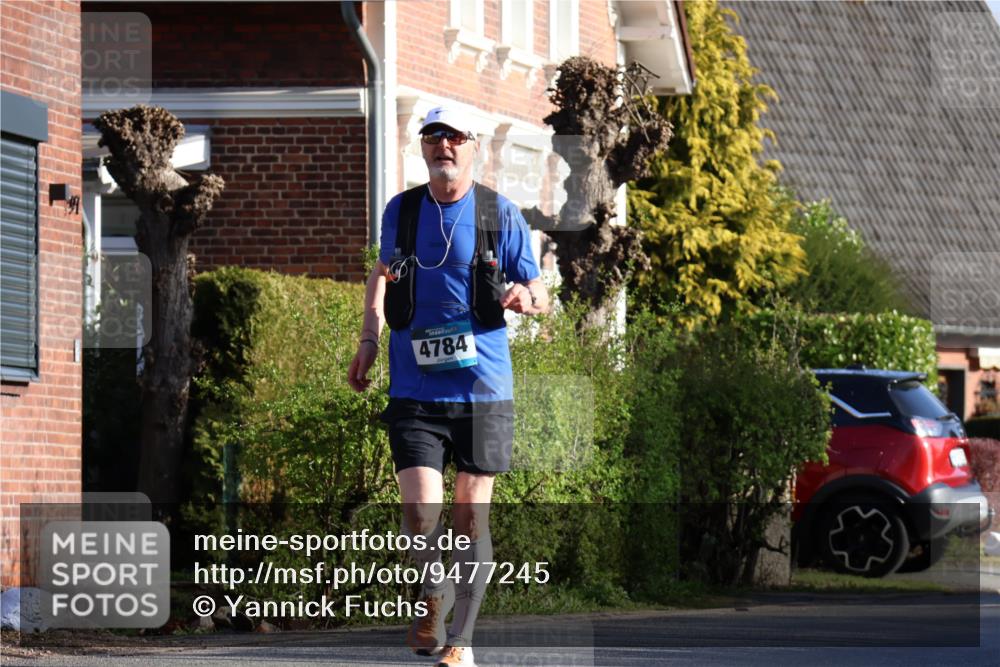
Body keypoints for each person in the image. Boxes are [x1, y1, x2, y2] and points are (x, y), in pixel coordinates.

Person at [347, 105, 549, 667]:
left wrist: (523, 300)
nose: (444, 147)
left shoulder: (497, 213)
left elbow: (538, 290)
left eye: (455, 137)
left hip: (484, 390)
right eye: (434, 137)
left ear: (473, 146)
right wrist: (368, 338)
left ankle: (461, 641)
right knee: (420, 515)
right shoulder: (403, 210)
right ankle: (434, 592)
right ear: (423, 147)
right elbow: (383, 274)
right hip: (414, 388)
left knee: (469, 519)